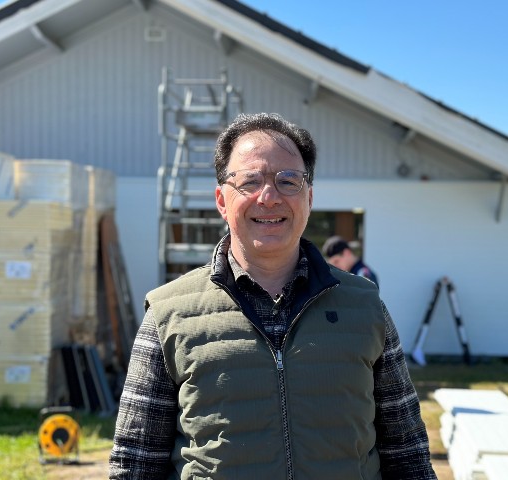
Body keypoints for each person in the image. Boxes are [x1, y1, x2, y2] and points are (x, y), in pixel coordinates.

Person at [109, 112, 436, 479]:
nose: (269, 197)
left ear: (309, 198)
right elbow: (134, 464)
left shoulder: (365, 305)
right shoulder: (169, 312)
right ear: (221, 200)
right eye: (249, 181)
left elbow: (408, 455)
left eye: (288, 181)